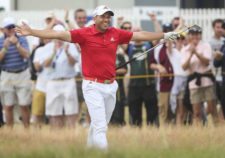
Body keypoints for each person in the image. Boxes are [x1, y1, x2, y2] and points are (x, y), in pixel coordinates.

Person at [16, 5, 179, 149]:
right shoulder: (84, 33)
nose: (107, 19)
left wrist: (164, 36)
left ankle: (89, 151)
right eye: (103, 16)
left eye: (108, 16)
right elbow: (57, 35)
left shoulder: (115, 33)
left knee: (99, 124)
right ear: (95, 18)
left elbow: (139, 35)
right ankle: (104, 154)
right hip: (92, 86)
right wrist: (31, 32)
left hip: (111, 86)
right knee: (101, 126)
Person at [182, 27, 218, 126]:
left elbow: (206, 62)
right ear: (189, 36)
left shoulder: (206, 46)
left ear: (200, 35)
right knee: (196, 111)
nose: (195, 36)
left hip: (207, 80)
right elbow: (184, 67)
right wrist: (190, 54)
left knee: (212, 108)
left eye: (197, 34)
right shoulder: (185, 49)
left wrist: (196, 53)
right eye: (193, 34)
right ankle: (199, 129)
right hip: (193, 82)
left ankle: (217, 127)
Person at [0, 17, 31, 128]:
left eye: (13, 27)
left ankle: (27, 129)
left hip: (22, 74)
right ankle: (10, 130)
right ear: (4, 30)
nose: (12, 29)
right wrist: (5, 48)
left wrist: (17, 44)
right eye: (9, 28)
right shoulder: (0, 41)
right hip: (7, 74)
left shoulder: (22, 39)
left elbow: (27, 55)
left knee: (24, 104)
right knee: (8, 106)